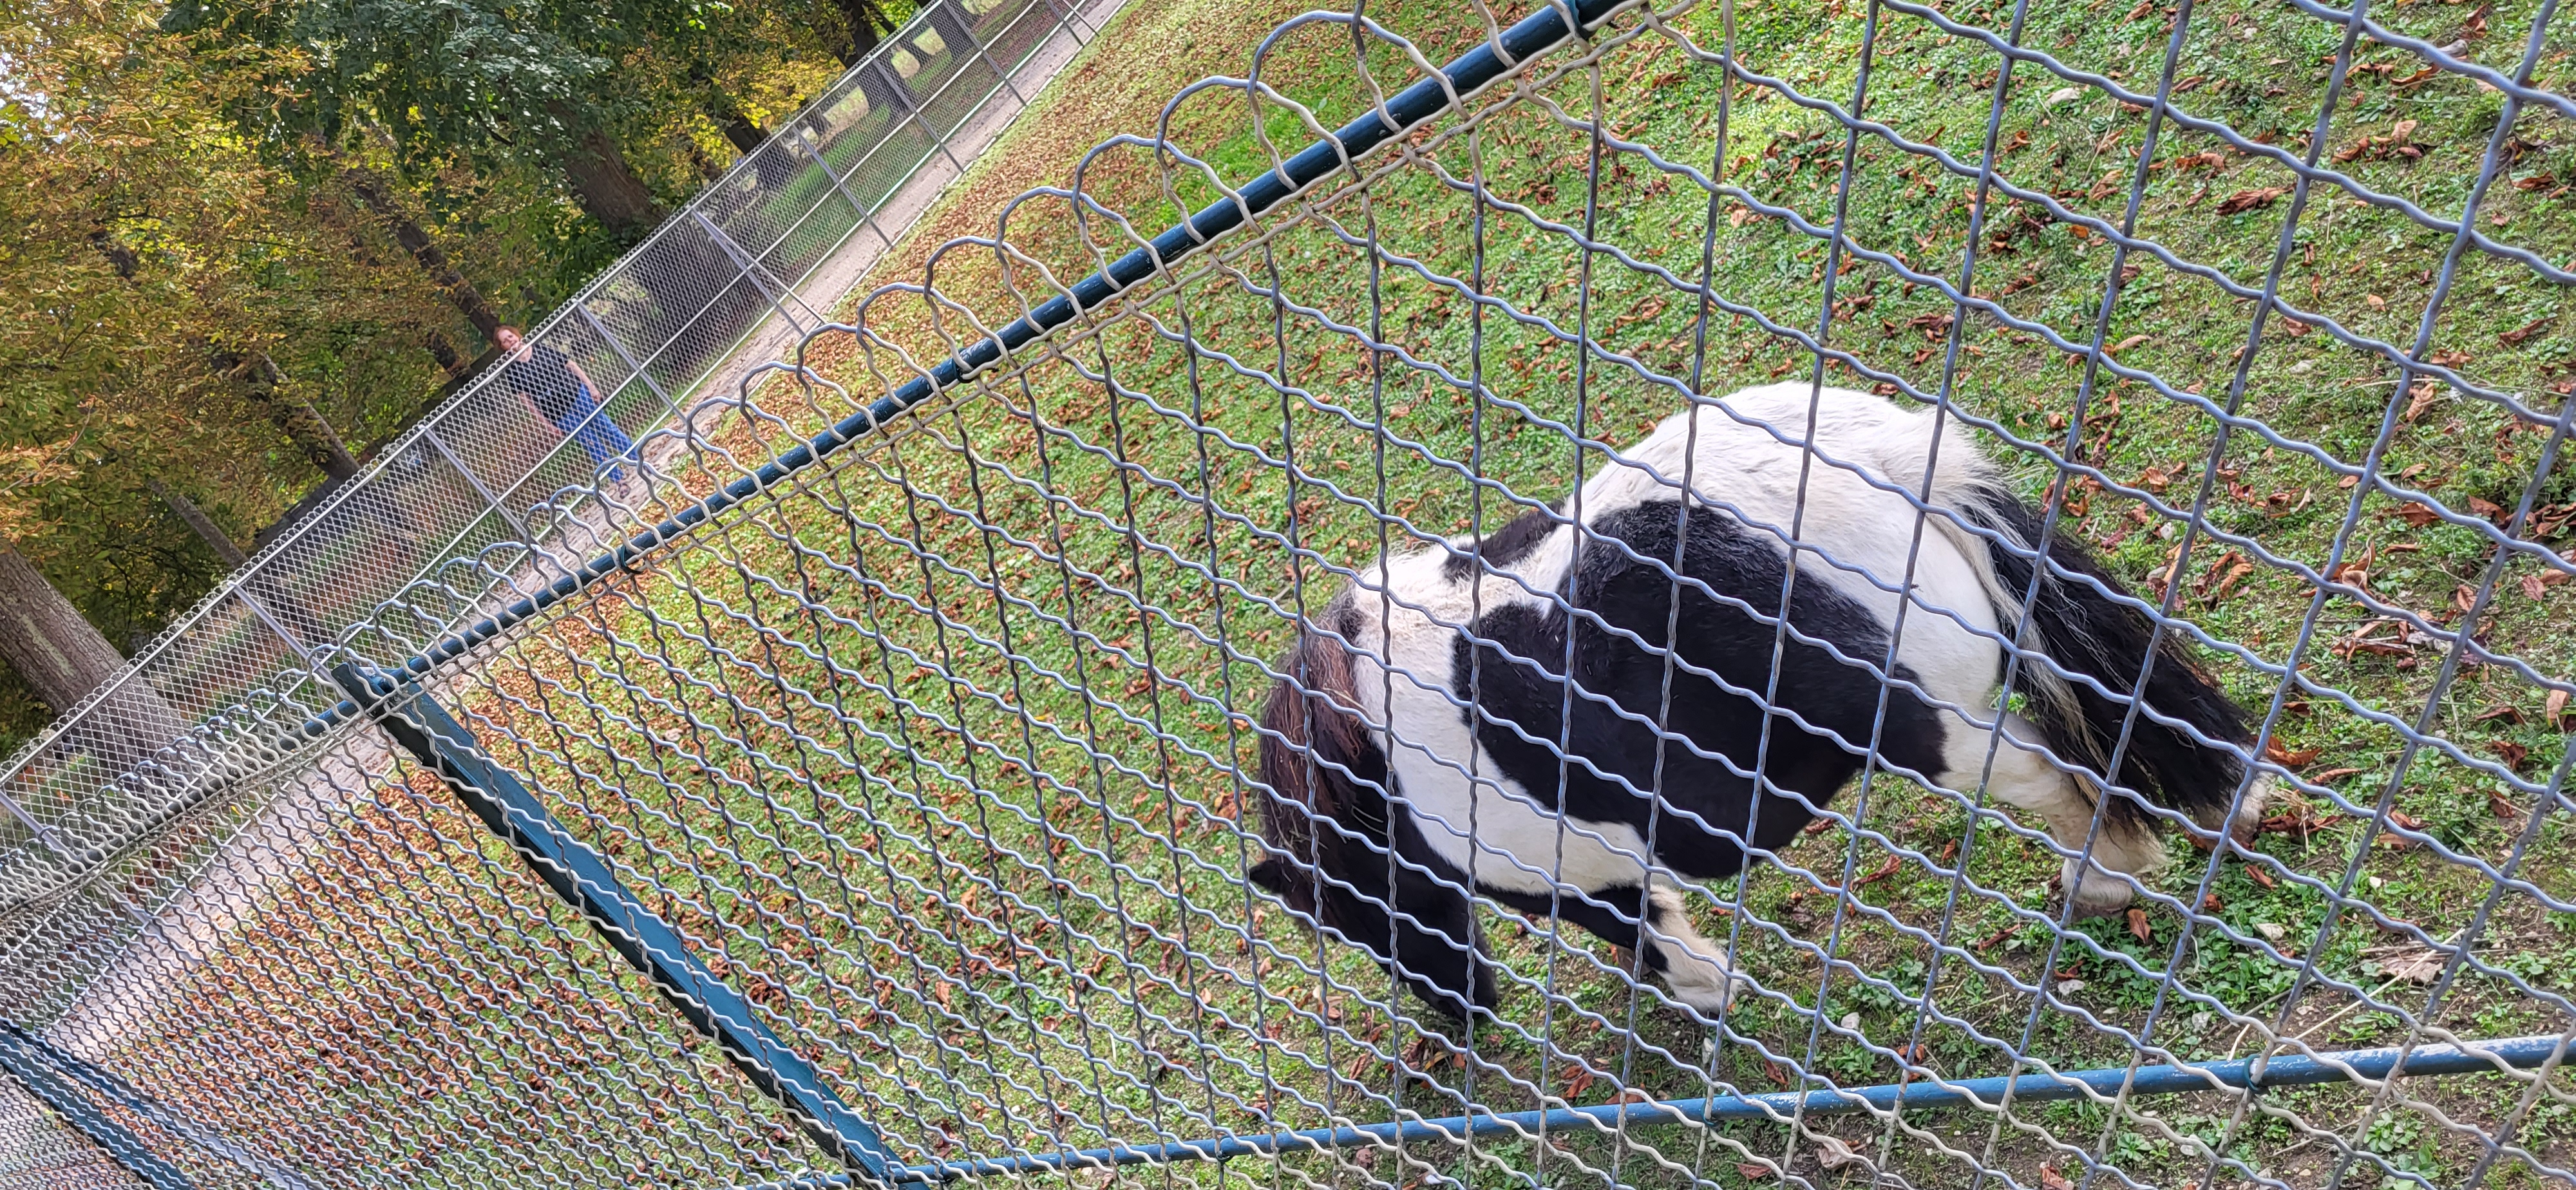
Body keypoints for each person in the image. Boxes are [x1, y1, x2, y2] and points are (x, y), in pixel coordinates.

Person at [495, 326, 637, 482]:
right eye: (505, 341)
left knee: (607, 429)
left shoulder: (539, 348)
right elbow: (526, 400)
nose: (510, 341)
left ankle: (637, 459)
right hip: (559, 414)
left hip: (578, 396)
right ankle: (619, 479)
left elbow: (571, 365)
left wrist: (591, 387)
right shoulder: (512, 370)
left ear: (516, 335)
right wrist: (546, 424)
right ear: (503, 347)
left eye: (510, 336)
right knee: (591, 444)